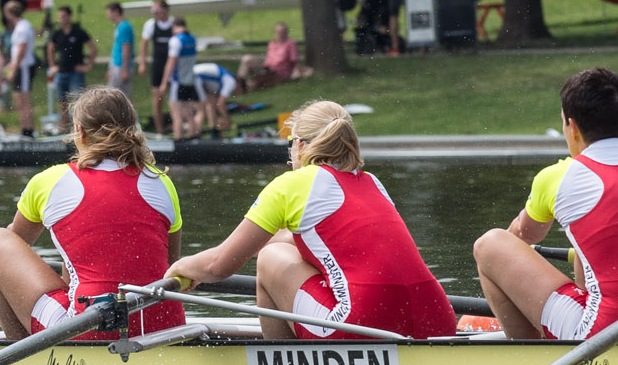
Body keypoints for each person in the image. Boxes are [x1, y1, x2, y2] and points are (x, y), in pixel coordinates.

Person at [169, 99, 456, 342]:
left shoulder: (292, 184)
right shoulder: (372, 182)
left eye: (290, 143)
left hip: (362, 322)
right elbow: (300, 239)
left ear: (301, 145)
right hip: (437, 318)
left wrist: (180, 267)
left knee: (269, 259)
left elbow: (218, 266)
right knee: (279, 247)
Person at [472, 67, 618, 341]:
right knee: (588, 253)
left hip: (608, 332)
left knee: (489, 244)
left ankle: (527, 354)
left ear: (572, 127)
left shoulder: (557, 177)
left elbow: (519, 238)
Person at [0, 86, 185, 340]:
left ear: (80, 132)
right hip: (166, 325)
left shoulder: (50, 180)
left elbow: (12, 251)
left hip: (90, 327)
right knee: (78, 256)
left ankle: (23, 357)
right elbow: (170, 265)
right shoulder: (162, 181)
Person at [47, 3, 94, 124]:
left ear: (69, 17)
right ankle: (64, 128)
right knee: (62, 102)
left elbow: (93, 48)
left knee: (78, 101)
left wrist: (88, 65)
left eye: (63, 16)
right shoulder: (57, 33)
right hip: (62, 71)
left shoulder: (78, 32)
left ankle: (79, 125)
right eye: (59, 17)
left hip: (75, 72)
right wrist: (52, 65)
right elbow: (50, 49)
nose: (61, 19)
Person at [3, 0, 39, 137]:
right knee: (19, 100)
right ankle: (25, 129)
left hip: (23, 68)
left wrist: (14, 68)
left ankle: (29, 130)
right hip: (20, 66)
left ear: (9, 13)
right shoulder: (21, 26)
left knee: (23, 100)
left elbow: (22, 50)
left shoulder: (22, 27)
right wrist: (11, 64)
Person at [163, 15, 202, 136]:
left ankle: (178, 140)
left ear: (174, 27)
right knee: (189, 112)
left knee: (176, 113)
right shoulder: (192, 38)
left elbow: (171, 62)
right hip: (190, 80)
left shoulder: (176, 40)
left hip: (178, 81)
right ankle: (193, 137)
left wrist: (164, 83)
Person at [142, 0, 177, 133]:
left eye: (157, 11)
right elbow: (144, 44)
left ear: (166, 10)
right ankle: (160, 131)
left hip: (173, 67)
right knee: (157, 99)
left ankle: (177, 128)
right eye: (153, 12)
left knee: (175, 100)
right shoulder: (151, 25)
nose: (155, 14)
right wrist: (143, 63)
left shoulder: (174, 24)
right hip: (158, 66)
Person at [190, 58, 238, 135]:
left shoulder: (217, 80)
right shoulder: (231, 81)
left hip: (190, 76)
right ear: (240, 86)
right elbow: (220, 104)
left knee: (210, 105)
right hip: (195, 77)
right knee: (201, 111)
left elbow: (213, 103)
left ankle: (214, 132)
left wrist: (219, 118)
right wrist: (229, 121)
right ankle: (194, 137)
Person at [105, 1, 136, 93]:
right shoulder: (120, 27)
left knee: (115, 95)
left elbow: (126, 47)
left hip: (120, 66)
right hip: (116, 65)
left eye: (109, 13)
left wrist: (125, 69)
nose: (108, 16)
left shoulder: (124, 27)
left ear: (116, 11)